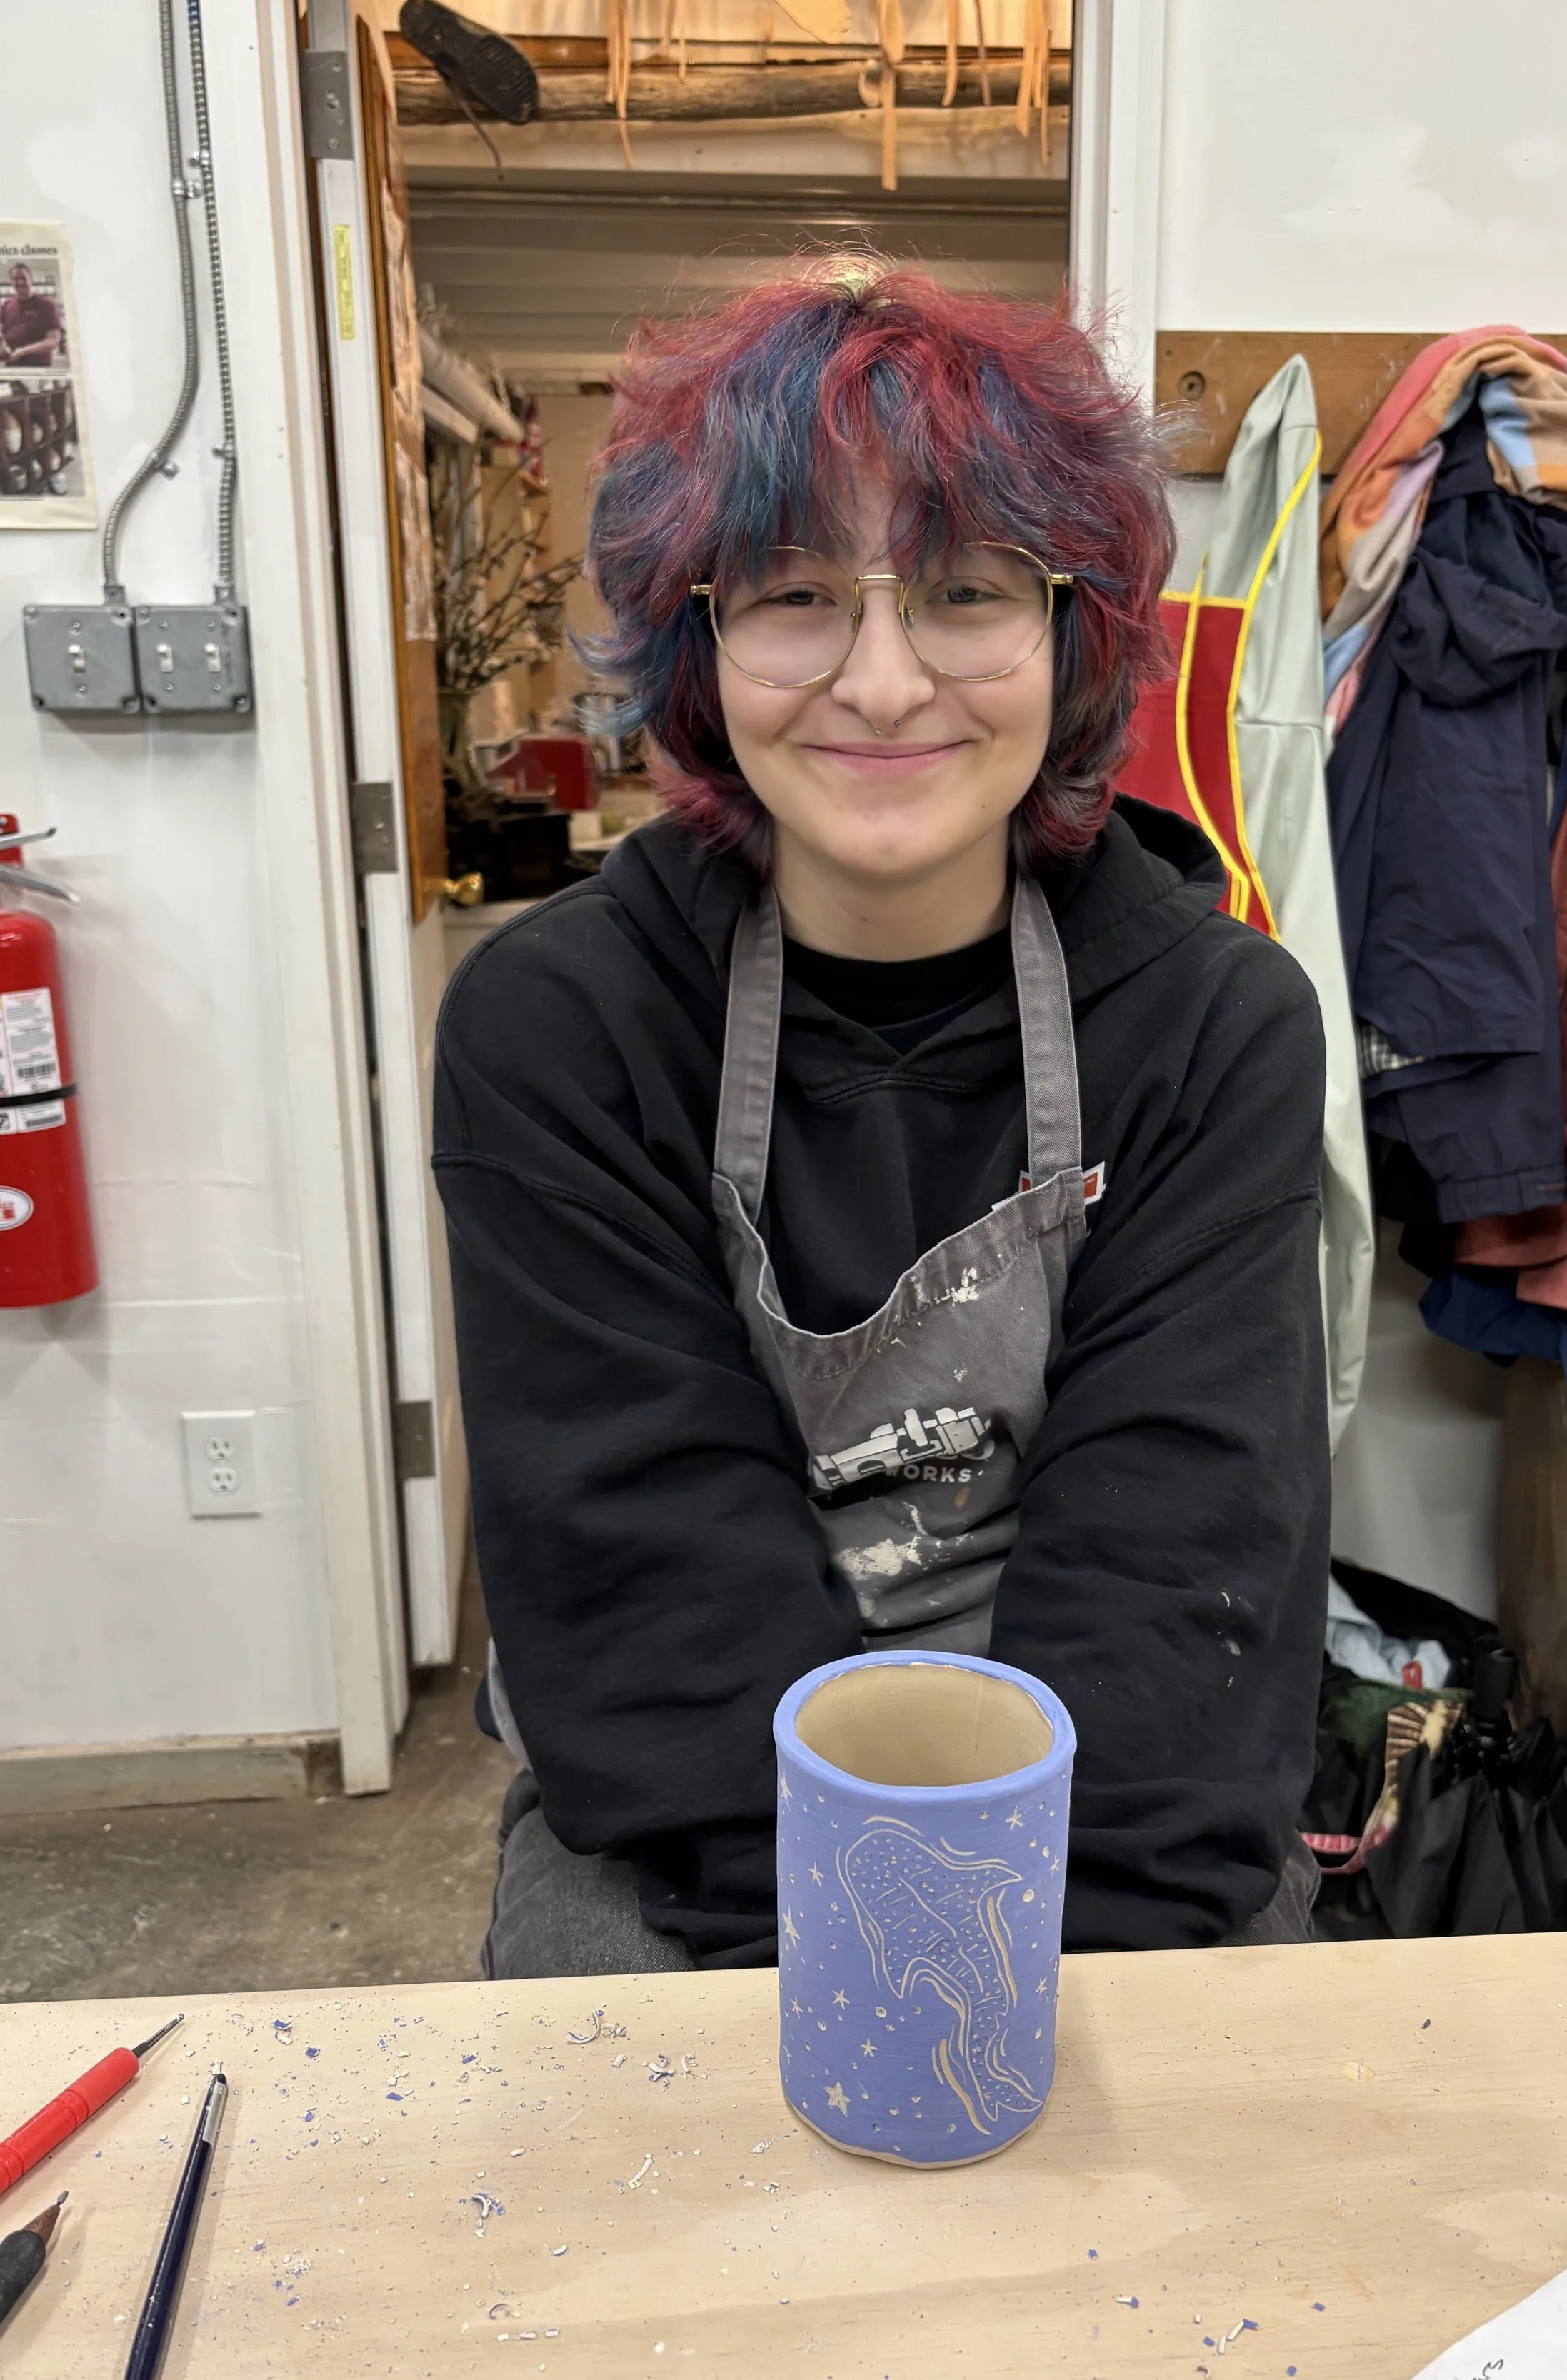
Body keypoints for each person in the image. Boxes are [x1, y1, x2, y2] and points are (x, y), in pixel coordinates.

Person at [433, 265, 1330, 1979]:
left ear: (1072, 634)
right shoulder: (562, 1029)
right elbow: (640, 1594)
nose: (886, 680)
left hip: (1111, 1838)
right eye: (791, 598)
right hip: (704, 1845)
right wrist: (877, 1960)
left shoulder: (1214, 1029)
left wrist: (1024, 1987)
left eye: (967, 590)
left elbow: (1183, 1592)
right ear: (696, 638)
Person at [0, 265, 64, 368]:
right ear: (12, 282)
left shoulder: (47, 305)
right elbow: (1, 330)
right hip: (12, 365)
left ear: (31, 280)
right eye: (16, 279)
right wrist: (3, 345)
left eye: (24, 278)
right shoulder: (6, 305)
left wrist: (23, 352)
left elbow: (53, 341)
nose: (20, 282)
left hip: (38, 366)